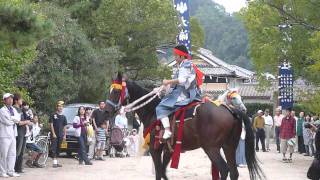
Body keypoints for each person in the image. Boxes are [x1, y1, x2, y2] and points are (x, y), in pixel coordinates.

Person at [155, 44, 202, 139]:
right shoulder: (184, 65)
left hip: (184, 93)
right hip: (184, 90)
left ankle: (167, 130)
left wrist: (167, 81)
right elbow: (175, 83)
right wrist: (162, 87)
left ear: (181, 56)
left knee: (160, 107)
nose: (175, 58)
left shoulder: (186, 65)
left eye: (176, 56)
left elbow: (181, 80)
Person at [0, 93, 21, 177]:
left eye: (11, 98)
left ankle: (10, 171)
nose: (11, 100)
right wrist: (14, 120)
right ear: (4, 100)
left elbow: (18, 119)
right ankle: (2, 172)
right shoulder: (2, 110)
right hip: (4, 135)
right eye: (8, 98)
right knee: (3, 154)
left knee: (12, 154)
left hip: (13, 134)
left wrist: (12, 119)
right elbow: (7, 122)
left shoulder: (13, 109)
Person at [13, 94, 31, 173]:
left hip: (24, 132)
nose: (22, 101)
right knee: (17, 151)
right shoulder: (14, 109)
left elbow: (26, 119)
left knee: (22, 151)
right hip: (18, 132)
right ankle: (13, 168)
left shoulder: (21, 109)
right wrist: (26, 122)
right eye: (20, 99)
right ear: (16, 100)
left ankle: (19, 168)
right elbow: (17, 122)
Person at [49, 101, 67, 168]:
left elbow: (65, 127)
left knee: (58, 149)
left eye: (61, 106)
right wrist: (53, 133)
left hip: (60, 135)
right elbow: (51, 124)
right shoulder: (53, 115)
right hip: (54, 134)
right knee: (54, 148)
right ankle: (54, 163)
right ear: (56, 107)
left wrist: (65, 135)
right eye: (59, 106)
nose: (60, 107)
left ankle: (56, 162)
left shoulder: (64, 117)